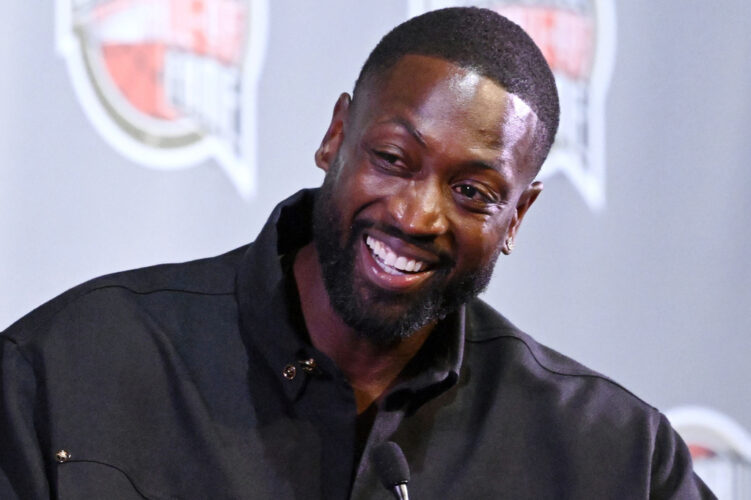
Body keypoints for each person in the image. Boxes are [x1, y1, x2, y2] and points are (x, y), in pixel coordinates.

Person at [0, 7, 714, 499]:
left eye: (471, 191)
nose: (416, 215)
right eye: (394, 159)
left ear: (516, 216)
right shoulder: (69, 369)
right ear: (336, 136)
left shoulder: (616, 459)